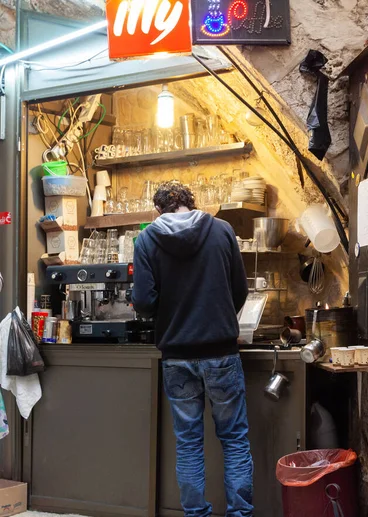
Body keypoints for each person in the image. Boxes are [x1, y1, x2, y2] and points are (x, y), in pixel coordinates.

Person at [132, 181, 253, 517]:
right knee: (234, 440)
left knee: (189, 444)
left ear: (158, 210)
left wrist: (167, 311)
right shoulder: (221, 230)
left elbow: (143, 302)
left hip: (177, 356)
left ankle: (196, 515)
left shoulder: (146, 240)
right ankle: (240, 515)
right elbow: (239, 290)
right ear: (191, 203)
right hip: (222, 352)